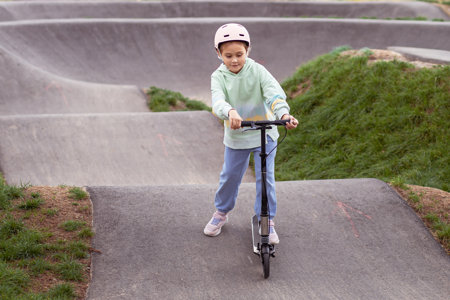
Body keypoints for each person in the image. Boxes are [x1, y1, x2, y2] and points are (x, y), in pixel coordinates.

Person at [204, 23, 298, 244]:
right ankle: (221, 213)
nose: (235, 60)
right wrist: (230, 111)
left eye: (240, 54)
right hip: (237, 137)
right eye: (228, 55)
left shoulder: (257, 71)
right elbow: (217, 101)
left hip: (264, 135)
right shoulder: (218, 77)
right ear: (218, 53)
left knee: (266, 179)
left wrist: (284, 114)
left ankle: (267, 220)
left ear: (248, 51)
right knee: (229, 178)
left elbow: (273, 94)